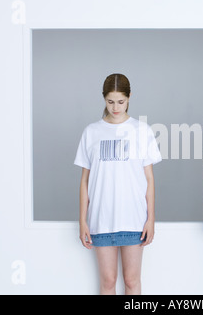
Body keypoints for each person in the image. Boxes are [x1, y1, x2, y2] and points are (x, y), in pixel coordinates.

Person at [74, 73, 162, 295]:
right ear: (104, 99)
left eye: (121, 102)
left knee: (132, 281)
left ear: (130, 97)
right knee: (108, 282)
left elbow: (149, 180)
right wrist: (82, 220)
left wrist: (151, 219)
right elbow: (85, 181)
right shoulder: (91, 132)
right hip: (101, 220)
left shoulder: (142, 131)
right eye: (110, 101)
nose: (115, 107)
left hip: (134, 219)